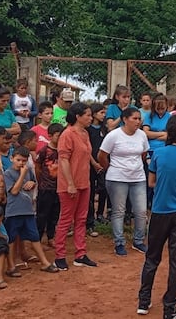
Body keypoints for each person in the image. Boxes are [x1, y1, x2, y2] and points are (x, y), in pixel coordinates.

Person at [137, 115, 176, 319]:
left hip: (160, 211)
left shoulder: (159, 154)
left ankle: (144, 302)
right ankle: (169, 307)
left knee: (152, 258)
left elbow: (152, 183)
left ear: (169, 132)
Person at [98, 107, 150, 256]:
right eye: (135, 118)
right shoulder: (113, 135)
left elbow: (143, 153)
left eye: (139, 119)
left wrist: (134, 167)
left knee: (140, 211)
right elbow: (102, 155)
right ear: (125, 119)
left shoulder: (142, 135)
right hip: (117, 178)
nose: (138, 121)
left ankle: (139, 241)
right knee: (119, 211)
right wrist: (111, 169)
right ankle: (119, 242)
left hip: (138, 177)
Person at [54, 102, 97, 270]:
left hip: (83, 182)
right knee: (66, 220)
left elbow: (86, 153)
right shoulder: (67, 134)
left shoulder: (85, 133)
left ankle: (80, 254)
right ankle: (60, 255)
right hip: (69, 185)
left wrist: (94, 164)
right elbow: (63, 159)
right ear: (78, 116)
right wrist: (70, 183)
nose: (90, 117)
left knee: (81, 219)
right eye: (87, 115)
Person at [3, 146, 58, 275]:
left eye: (23, 160)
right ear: (12, 159)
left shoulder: (29, 172)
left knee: (34, 238)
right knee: (11, 239)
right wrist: (22, 175)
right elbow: (14, 191)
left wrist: (32, 183)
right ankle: (10, 266)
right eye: (18, 160)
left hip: (28, 210)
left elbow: (33, 182)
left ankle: (44, 262)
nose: (21, 163)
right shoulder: (8, 173)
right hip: (14, 211)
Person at [35, 123, 63, 249]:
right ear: (50, 136)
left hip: (59, 187)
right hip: (46, 187)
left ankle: (51, 237)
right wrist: (41, 181)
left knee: (54, 214)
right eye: (58, 136)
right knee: (42, 215)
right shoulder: (44, 151)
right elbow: (38, 167)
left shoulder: (63, 151)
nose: (60, 138)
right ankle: (38, 240)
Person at [86, 103, 108, 236]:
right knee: (91, 191)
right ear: (94, 114)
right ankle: (90, 220)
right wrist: (93, 163)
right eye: (101, 112)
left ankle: (100, 214)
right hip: (90, 164)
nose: (103, 115)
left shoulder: (104, 129)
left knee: (104, 188)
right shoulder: (87, 130)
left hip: (102, 164)